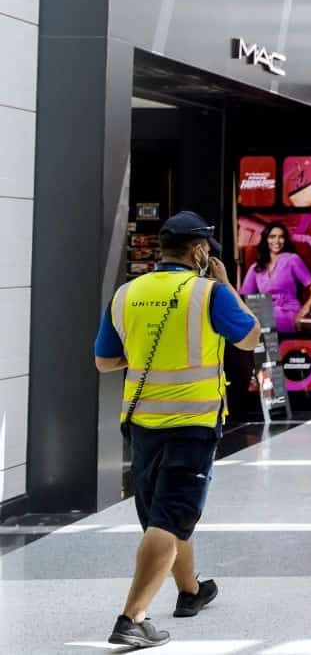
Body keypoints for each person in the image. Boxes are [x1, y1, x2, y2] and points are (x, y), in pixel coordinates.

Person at [94, 212, 262, 649]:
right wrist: (226, 285)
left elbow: (104, 361)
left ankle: (190, 591)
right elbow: (250, 337)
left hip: (141, 422)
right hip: (192, 424)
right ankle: (132, 618)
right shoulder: (209, 293)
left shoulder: (126, 293)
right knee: (171, 517)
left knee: (163, 515)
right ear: (200, 252)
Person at [239, 221, 311, 335]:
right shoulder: (256, 267)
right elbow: (244, 297)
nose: (277, 241)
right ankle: (266, 351)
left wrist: (306, 308)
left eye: (281, 237)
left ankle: (268, 352)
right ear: (266, 239)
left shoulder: (292, 259)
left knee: (259, 321)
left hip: (288, 311)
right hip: (264, 310)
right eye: (272, 237)